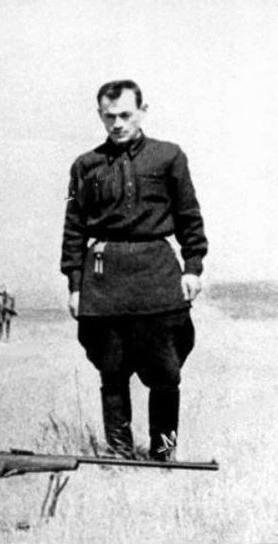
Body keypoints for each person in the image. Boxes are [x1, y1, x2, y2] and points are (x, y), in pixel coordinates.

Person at [61, 80, 208, 462]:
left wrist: (193, 268)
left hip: (157, 276)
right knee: (111, 373)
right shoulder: (84, 166)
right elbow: (74, 227)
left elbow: (189, 217)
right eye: (109, 117)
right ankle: (119, 457)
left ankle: (164, 454)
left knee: (167, 374)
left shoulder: (169, 157)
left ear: (143, 111)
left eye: (126, 115)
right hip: (103, 278)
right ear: (99, 115)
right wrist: (75, 285)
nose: (117, 124)